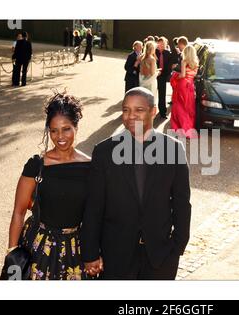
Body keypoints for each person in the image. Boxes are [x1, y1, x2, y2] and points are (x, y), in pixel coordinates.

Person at [81, 87, 192, 280]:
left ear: (153, 111)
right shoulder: (104, 152)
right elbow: (94, 207)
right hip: (115, 255)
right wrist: (90, 253)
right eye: (125, 110)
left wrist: (178, 246)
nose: (130, 116)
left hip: (161, 256)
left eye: (138, 110)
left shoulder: (174, 149)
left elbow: (182, 203)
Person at [6, 92, 100, 280]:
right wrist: (12, 253)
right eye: (54, 130)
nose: (60, 137)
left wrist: (96, 252)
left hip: (76, 249)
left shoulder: (90, 167)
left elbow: (95, 216)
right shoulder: (37, 165)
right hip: (37, 246)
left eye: (66, 129)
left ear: (76, 128)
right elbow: (19, 211)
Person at [170, 45, 199, 139]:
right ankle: (188, 128)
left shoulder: (184, 61)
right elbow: (193, 75)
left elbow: (182, 75)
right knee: (188, 107)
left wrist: (175, 77)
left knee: (179, 105)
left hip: (182, 85)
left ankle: (179, 128)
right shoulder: (196, 63)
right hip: (190, 85)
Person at [156, 37, 172, 118]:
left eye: (163, 44)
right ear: (157, 44)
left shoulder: (168, 53)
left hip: (162, 76)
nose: (161, 45)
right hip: (153, 76)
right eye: (159, 43)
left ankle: (162, 112)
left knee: (162, 95)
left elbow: (169, 67)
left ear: (165, 44)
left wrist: (163, 74)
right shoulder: (154, 52)